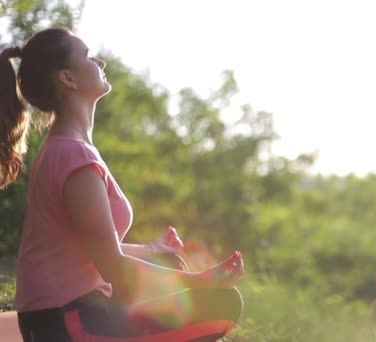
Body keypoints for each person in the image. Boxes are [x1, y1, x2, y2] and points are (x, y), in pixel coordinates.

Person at [0, 27, 244, 341]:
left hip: (64, 316)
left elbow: (87, 249)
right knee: (221, 304)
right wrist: (199, 280)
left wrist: (151, 249)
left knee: (168, 261)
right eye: (87, 56)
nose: (99, 62)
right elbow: (113, 266)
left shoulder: (68, 148)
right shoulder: (73, 156)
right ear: (68, 79)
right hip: (64, 325)